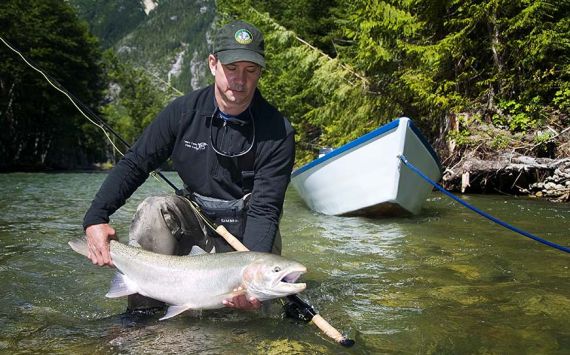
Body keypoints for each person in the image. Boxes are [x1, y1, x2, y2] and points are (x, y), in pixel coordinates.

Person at [82, 20, 295, 314]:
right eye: (231, 68)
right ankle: (143, 313)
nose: (240, 80)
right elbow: (135, 163)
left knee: (252, 313)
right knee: (154, 208)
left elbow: (265, 209)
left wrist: (249, 280)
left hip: (249, 234)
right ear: (213, 64)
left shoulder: (278, 130)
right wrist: (95, 217)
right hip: (196, 223)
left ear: (260, 72)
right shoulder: (182, 112)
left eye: (251, 70)